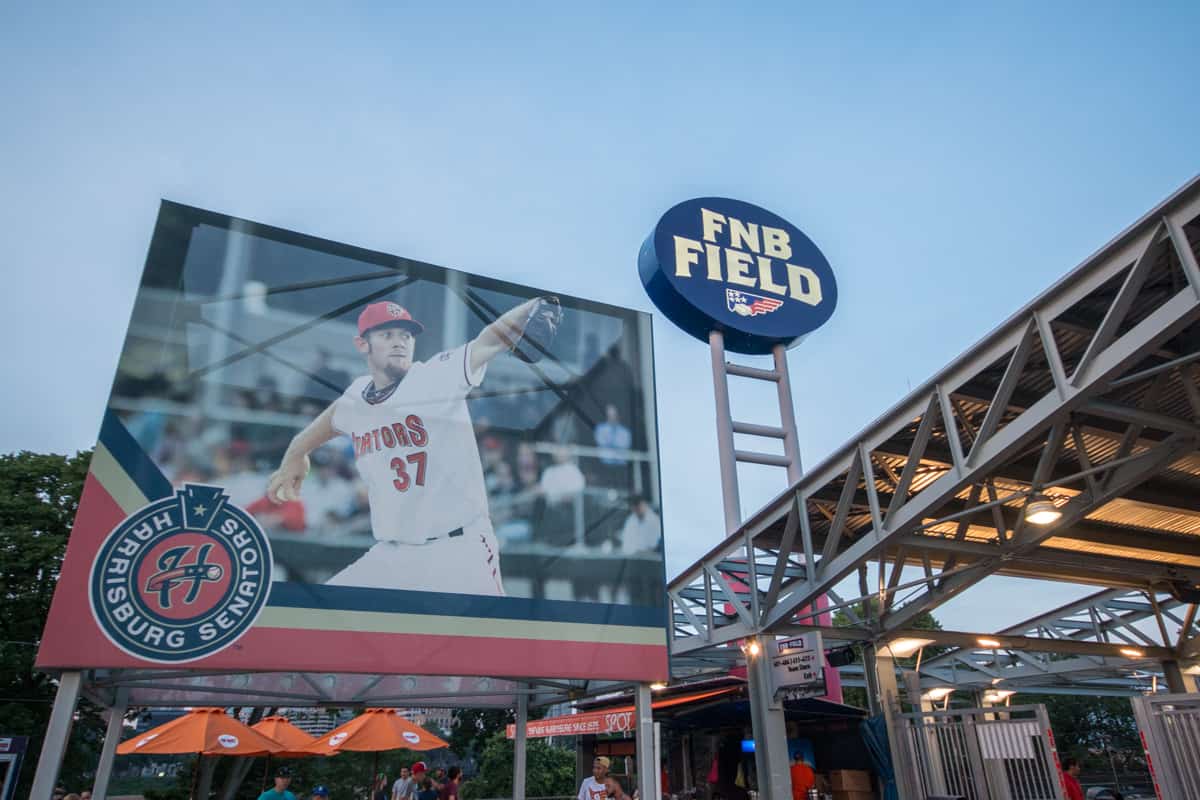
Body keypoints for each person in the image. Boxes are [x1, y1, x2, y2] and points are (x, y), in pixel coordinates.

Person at [267, 296, 558, 595]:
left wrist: (534, 305)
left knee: (481, 628)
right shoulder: (357, 395)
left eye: (405, 335)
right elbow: (336, 415)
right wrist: (298, 449)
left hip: (458, 552)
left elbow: (488, 340)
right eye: (387, 334)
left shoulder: (435, 376)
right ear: (363, 344)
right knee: (321, 616)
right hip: (393, 555)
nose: (399, 342)